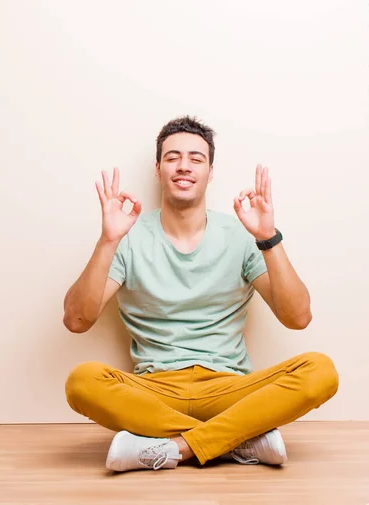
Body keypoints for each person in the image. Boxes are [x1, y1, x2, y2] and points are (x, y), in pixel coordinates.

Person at [62, 116, 339, 472]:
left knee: (321, 370)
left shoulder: (241, 234)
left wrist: (268, 238)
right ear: (158, 169)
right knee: (82, 382)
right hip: (156, 390)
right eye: (172, 157)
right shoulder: (127, 235)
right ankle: (237, 440)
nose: (183, 166)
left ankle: (174, 447)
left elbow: (297, 317)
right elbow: (76, 320)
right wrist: (108, 241)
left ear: (210, 171)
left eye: (196, 158)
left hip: (229, 389)